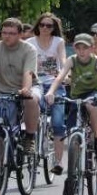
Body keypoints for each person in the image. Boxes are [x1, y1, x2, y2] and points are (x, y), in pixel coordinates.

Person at [45, 33, 97, 164]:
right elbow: (60, 77)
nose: (81, 51)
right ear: (74, 48)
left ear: (92, 48)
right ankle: (75, 165)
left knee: (91, 105)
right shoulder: (72, 60)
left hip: (94, 92)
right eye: (78, 48)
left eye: (85, 48)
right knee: (71, 128)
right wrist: (51, 92)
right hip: (77, 95)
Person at [0, 17, 39, 150]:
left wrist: (25, 89)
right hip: (3, 91)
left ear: (20, 34)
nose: (7, 36)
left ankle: (29, 137)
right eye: (4, 33)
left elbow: (28, 73)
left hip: (28, 87)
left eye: (12, 33)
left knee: (32, 100)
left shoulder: (29, 49)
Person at [27, 13, 68, 175]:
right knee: (31, 108)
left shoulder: (58, 42)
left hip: (54, 83)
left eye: (49, 26)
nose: (44, 28)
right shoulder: (30, 42)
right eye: (42, 25)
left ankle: (58, 162)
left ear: (53, 28)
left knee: (58, 122)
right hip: (36, 83)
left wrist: (66, 74)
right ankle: (31, 140)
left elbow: (63, 61)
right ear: (38, 26)